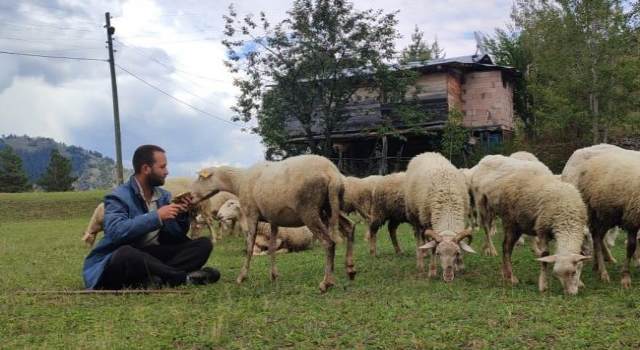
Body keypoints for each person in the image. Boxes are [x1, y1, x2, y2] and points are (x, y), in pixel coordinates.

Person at [82, 144, 220, 289]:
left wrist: (180, 215)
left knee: (203, 244)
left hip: (152, 254)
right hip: (122, 259)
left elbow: (174, 236)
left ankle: (151, 279)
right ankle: (182, 278)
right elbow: (116, 232)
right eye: (162, 167)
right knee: (126, 253)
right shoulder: (118, 197)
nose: (167, 172)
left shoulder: (163, 196)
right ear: (146, 169)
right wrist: (157, 216)